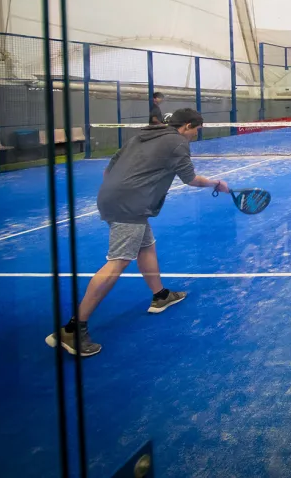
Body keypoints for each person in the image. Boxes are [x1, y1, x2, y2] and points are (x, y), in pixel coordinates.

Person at [45, 108, 228, 357]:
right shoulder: (178, 142)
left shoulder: (141, 136)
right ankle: (73, 329)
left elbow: (108, 171)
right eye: (196, 129)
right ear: (187, 126)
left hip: (111, 197)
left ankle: (160, 295)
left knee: (146, 246)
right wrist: (216, 183)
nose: (196, 134)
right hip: (130, 206)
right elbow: (190, 179)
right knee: (118, 262)